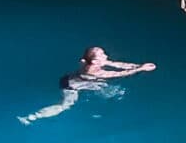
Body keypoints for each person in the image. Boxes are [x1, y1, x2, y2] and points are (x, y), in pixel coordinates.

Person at [18, 46, 155, 124]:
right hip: (70, 87)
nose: (106, 56)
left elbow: (116, 64)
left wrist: (139, 66)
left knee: (103, 87)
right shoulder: (94, 71)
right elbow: (118, 74)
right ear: (94, 62)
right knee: (65, 106)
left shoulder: (89, 62)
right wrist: (140, 70)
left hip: (71, 78)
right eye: (102, 55)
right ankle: (31, 117)